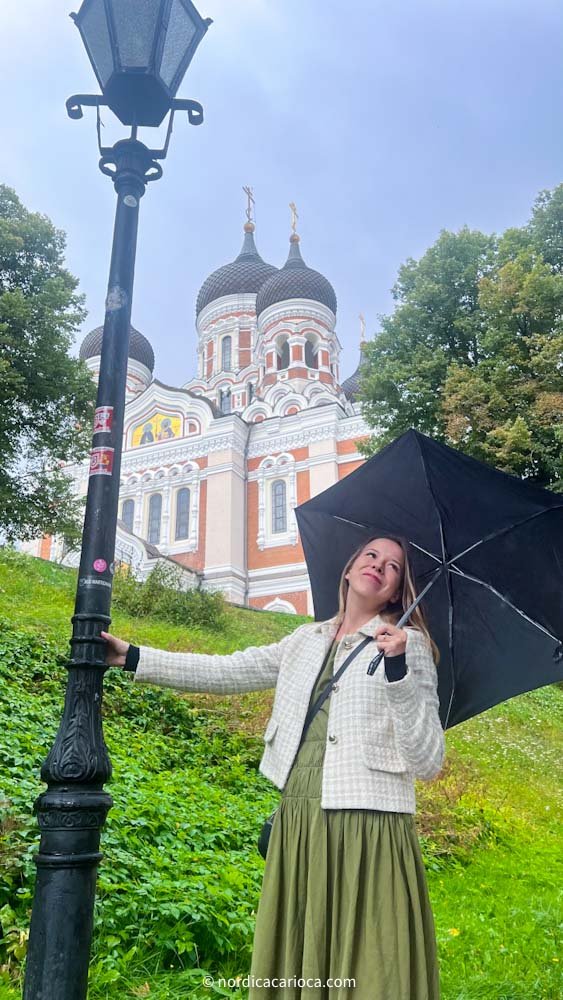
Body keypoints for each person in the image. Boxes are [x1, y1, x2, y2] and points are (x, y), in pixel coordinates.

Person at [102, 536, 444, 1000]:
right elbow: (227, 671)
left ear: (397, 591)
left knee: (371, 972)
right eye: (371, 556)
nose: (380, 567)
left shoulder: (408, 646)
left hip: (369, 826)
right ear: (348, 569)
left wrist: (398, 668)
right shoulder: (305, 640)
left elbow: (427, 760)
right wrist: (133, 657)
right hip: (299, 819)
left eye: (394, 567)